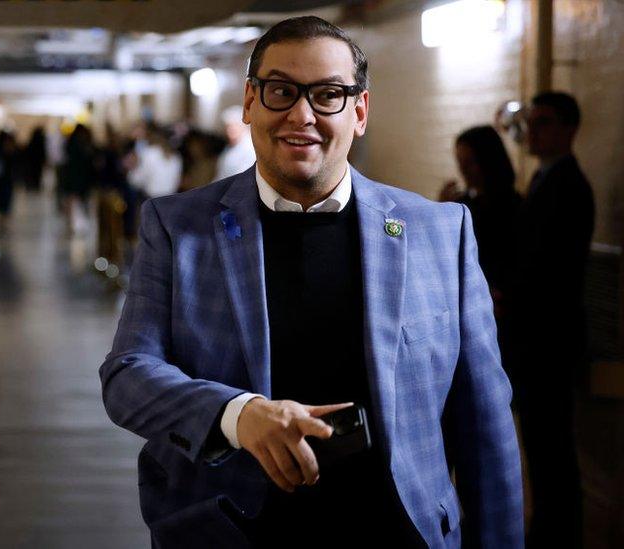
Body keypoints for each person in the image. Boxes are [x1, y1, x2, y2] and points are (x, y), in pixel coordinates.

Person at [100, 16, 523, 548]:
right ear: (251, 102)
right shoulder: (177, 227)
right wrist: (236, 415)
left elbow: (484, 428)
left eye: (328, 94)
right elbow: (127, 376)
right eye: (281, 91)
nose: (302, 114)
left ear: (360, 111)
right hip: (235, 531)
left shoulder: (441, 232)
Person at [512, 92, 594, 549]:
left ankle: (559, 536)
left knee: (553, 449)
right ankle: (550, 529)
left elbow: (550, 268)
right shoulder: (547, 179)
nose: (532, 131)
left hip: (549, 338)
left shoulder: (567, 184)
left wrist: (511, 296)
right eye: (531, 121)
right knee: (543, 447)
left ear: (568, 129)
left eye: (542, 122)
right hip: (540, 336)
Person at [439, 125, 522, 375]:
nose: (465, 170)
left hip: (503, 311)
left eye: (471, 162)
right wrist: (442, 211)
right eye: (460, 162)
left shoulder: (513, 206)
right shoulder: (465, 203)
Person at [215, 106, 257, 180]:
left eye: (234, 126)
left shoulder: (250, 147)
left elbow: (242, 175)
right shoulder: (230, 146)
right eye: (228, 127)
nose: (230, 130)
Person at [0, 130, 18, 227]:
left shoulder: (9, 153)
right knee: (2, 201)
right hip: (2, 182)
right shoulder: (2, 153)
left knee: (5, 202)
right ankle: (1, 220)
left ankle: (3, 220)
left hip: (6, 182)